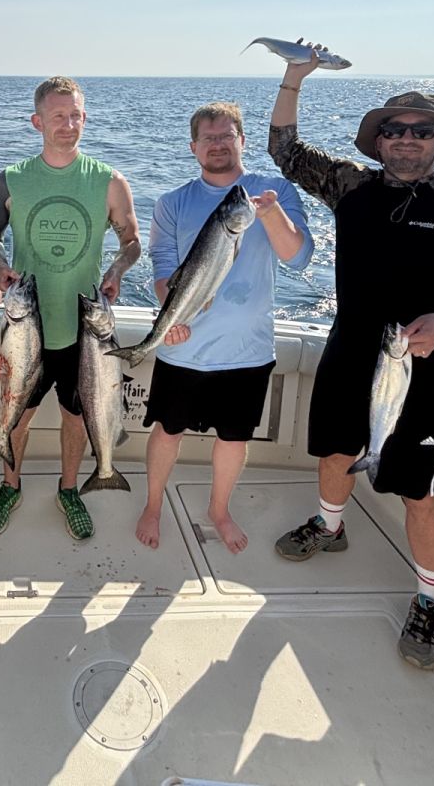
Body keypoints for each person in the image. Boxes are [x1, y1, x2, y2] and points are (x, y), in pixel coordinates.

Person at [268, 51, 434, 670]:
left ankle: (431, 601)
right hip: (348, 351)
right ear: (379, 141)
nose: (407, 139)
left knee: (421, 494)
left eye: (421, 130)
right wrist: (294, 77)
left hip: (419, 370)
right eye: (394, 129)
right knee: (334, 451)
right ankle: (330, 526)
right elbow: (285, 151)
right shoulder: (351, 185)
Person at [134, 101, 313, 555]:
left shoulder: (274, 191)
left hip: (247, 348)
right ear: (193, 147)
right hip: (183, 347)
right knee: (167, 430)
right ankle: (153, 505)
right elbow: (163, 270)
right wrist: (170, 316)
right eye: (208, 138)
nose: (217, 145)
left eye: (226, 136)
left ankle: (219, 510)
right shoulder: (172, 202)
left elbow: (298, 257)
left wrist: (271, 215)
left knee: (234, 438)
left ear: (242, 141)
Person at [0, 76, 142, 540]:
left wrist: (117, 270)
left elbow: (132, 242)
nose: (68, 125)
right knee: (16, 415)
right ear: (38, 122)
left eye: (75, 116)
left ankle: (69, 489)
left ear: (84, 118)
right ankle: (10, 486)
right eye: (58, 116)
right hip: (25, 327)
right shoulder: (11, 179)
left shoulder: (109, 181)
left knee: (77, 416)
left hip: (84, 331)